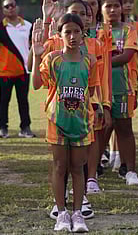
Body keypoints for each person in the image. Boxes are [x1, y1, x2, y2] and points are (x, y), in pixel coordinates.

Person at [31, 13, 99, 232]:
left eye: (76, 31)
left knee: (78, 168)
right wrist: (36, 56)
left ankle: (78, 214)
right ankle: (61, 213)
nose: (72, 36)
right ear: (59, 35)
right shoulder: (52, 59)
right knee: (60, 167)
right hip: (57, 121)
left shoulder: (90, 60)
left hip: (81, 123)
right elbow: (36, 84)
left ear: (83, 34)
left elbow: (90, 90)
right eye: (67, 32)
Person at [98, 0, 138, 185]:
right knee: (100, 129)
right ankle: (93, 170)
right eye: (108, 6)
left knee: (125, 128)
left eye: (116, 5)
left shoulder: (128, 30)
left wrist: (101, 61)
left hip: (122, 88)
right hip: (98, 90)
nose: (113, 9)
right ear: (100, 9)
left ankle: (130, 170)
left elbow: (127, 56)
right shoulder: (95, 31)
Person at [0, 0, 35, 138]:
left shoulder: (28, 26)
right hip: (5, 72)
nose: (10, 8)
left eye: (12, 5)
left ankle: (25, 128)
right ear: (3, 10)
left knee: (23, 101)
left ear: (17, 7)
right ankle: (3, 129)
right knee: (4, 101)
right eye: (6, 6)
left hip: (23, 70)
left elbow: (34, 45)